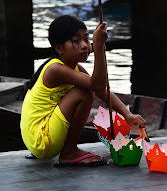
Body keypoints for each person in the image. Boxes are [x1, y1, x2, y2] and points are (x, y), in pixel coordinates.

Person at [20, 15, 146, 166]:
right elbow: (96, 85)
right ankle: (69, 152)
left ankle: (68, 150)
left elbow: (102, 91)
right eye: (76, 41)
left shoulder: (75, 68)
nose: (85, 45)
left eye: (87, 39)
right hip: (41, 138)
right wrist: (99, 46)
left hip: (38, 140)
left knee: (87, 89)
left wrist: (127, 115)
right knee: (84, 92)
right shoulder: (55, 69)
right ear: (59, 48)